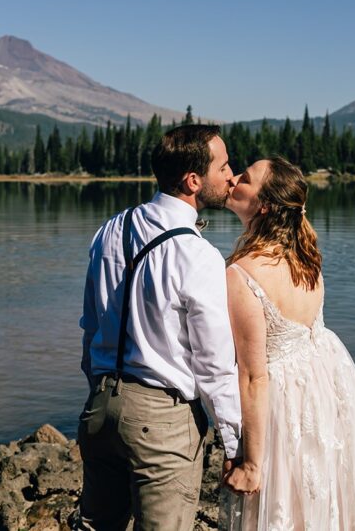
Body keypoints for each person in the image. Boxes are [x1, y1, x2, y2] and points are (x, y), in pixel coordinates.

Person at [78, 124, 242, 531]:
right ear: (193, 181)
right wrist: (236, 443)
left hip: (100, 408)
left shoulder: (109, 231)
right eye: (223, 166)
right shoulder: (197, 254)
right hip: (161, 420)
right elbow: (214, 364)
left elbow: (90, 326)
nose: (231, 176)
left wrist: (100, 390)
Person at [219, 156, 355, 530]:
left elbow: (253, 377)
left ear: (264, 205)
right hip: (326, 390)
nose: (233, 178)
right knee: (324, 502)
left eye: (245, 178)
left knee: (287, 505)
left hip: (284, 404)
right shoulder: (307, 257)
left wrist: (252, 464)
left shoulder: (242, 274)